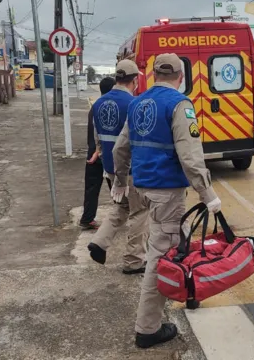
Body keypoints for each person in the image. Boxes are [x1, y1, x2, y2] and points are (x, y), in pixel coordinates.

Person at [111, 53, 222, 349]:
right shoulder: (179, 105)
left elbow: (120, 148)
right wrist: (207, 193)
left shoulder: (137, 103)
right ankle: (147, 328)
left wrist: (121, 180)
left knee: (178, 243)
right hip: (167, 192)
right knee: (160, 257)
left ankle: (190, 293)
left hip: (143, 186)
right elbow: (190, 156)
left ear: (151, 75)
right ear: (181, 77)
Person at [87, 60, 148, 275]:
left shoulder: (98, 103)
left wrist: (106, 161)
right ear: (134, 80)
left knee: (122, 207)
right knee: (140, 212)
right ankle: (134, 260)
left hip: (110, 169)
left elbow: (97, 139)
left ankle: (99, 242)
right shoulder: (134, 104)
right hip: (130, 168)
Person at [79, 77, 116, 229]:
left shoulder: (95, 107)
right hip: (107, 154)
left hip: (93, 154)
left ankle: (87, 219)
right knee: (117, 189)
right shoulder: (111, 107)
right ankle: (121, 216)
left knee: (91, 189)